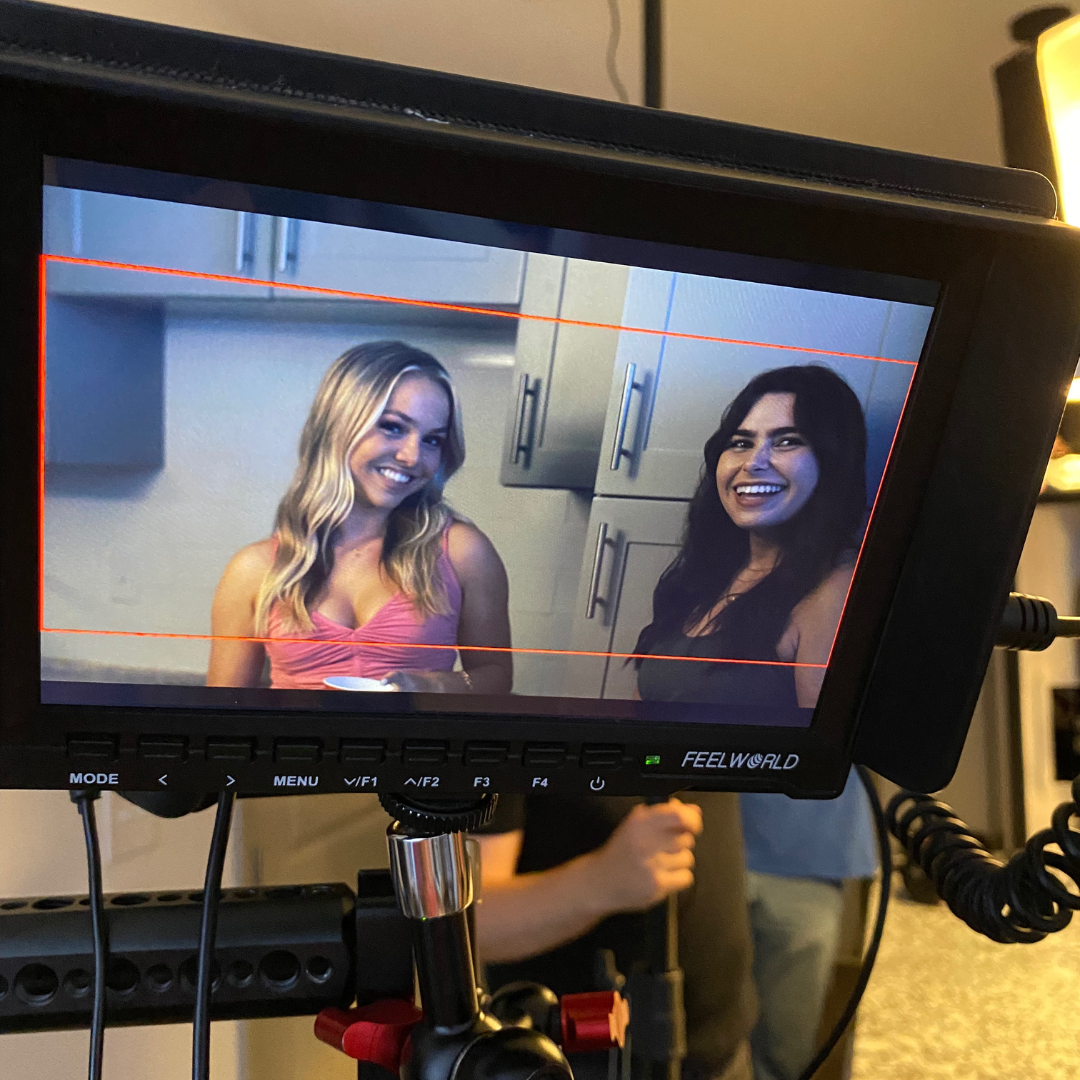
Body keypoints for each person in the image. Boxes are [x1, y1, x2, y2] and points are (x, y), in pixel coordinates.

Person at [630, 363, 873, 1080]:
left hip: (790, 863)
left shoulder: (833, 589)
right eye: (741, 440)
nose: (755, 460)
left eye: (786, 439)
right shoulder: (700, 576)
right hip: (692, 857)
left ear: (830, 461)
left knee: (780, 1060)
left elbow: (822, 750)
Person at [207, 340, 512, 693]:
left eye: (432, 440)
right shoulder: (256, 569)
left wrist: (430, 686)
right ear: (338, 424)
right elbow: (224, 712)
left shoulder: (460, 552)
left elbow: (497, 678)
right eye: (393, 427)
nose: (412, 456)